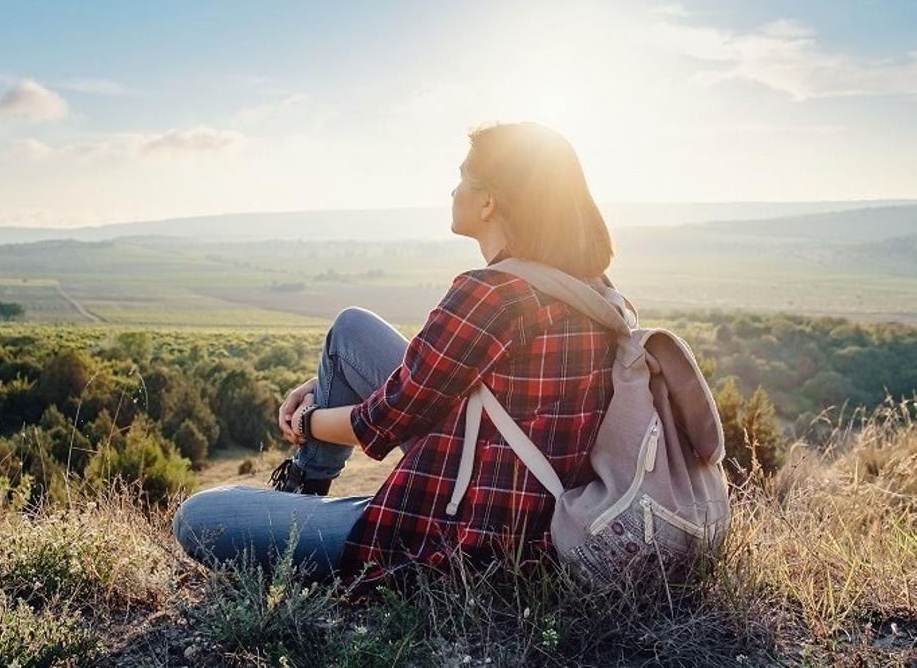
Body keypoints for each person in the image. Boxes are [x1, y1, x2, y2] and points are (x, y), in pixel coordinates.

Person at [172, 121, 619, 588]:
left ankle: (304, 496)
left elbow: (383, 421)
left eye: (463, 176)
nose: (453, 189)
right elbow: (440, 381)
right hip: (536, 511)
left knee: (198, 516)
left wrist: (307, 421)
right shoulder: (591, 291)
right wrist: (324, 387)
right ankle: (305, 490)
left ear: (488, 202)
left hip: (460, 537)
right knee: (351, 331)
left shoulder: (492, 294)